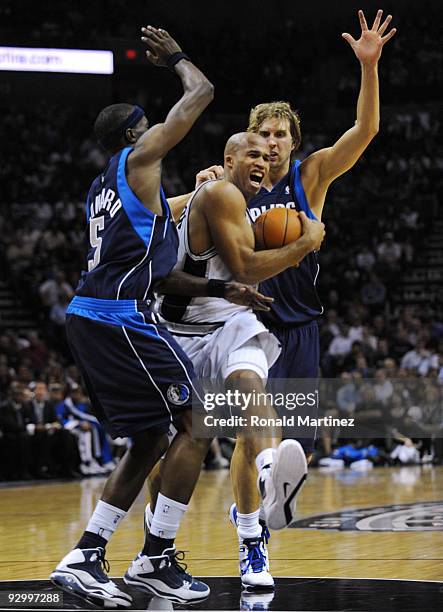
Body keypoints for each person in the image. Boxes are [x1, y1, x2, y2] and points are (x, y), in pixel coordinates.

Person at [50, 26, 270, 608]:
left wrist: (228, 292)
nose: (158, 134)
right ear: (134, 135)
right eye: (150, 126)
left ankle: (88, 554)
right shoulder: (138, 156)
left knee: (150, 437)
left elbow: (156, 272)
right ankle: (154, 557)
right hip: (119, 317)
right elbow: (202, 92)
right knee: (197, 422)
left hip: (95, 314)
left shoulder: (105, 191)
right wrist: (175, 59)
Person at [196, 8, 396, 580]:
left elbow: (366, 132)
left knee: (289, 451)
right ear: (249, 142)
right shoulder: (230, 183)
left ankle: (268, 508)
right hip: (243, 327)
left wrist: (369, 67)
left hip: (300, 326)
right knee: (248, 438)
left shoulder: (311, 178)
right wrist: (207, 183)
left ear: (294, 142)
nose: (273, 143)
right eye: (264, 135)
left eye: (282, 135)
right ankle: (250, 543)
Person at [156, 131, 325, 588]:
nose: (266, 154)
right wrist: (306, 243)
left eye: (274, 144)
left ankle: (268, 485)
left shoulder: (258, 197)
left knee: (252, 388)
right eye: (255, 147)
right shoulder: (218, 192)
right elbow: (246, 267)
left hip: (235, 320)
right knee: (169, 448)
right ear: (228, 159)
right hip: (180, 330)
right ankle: (156, 549)